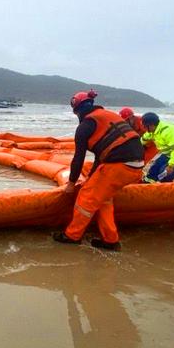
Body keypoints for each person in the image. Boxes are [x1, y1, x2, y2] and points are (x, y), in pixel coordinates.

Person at [53, 90, 145, 251]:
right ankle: (110, 240)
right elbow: (102, 154)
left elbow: (78, 158)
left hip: (119, 165)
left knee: (86, 196)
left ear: (77, 110)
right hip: (136, 165)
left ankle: (72, 236)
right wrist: (92, 176)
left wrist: (71, 183)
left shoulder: (85, 126)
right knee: (103, 199)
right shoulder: (107, 115)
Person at [139, 113, 174, 183]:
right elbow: (144, 138)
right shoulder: (152, 130)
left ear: (151, 125)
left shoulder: (167, 132)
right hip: (169, 153)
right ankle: (147, 183)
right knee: (154, 168)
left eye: (145, 126)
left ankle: (165, 186)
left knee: (166, 173)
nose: (144, 128)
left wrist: (171, 166)